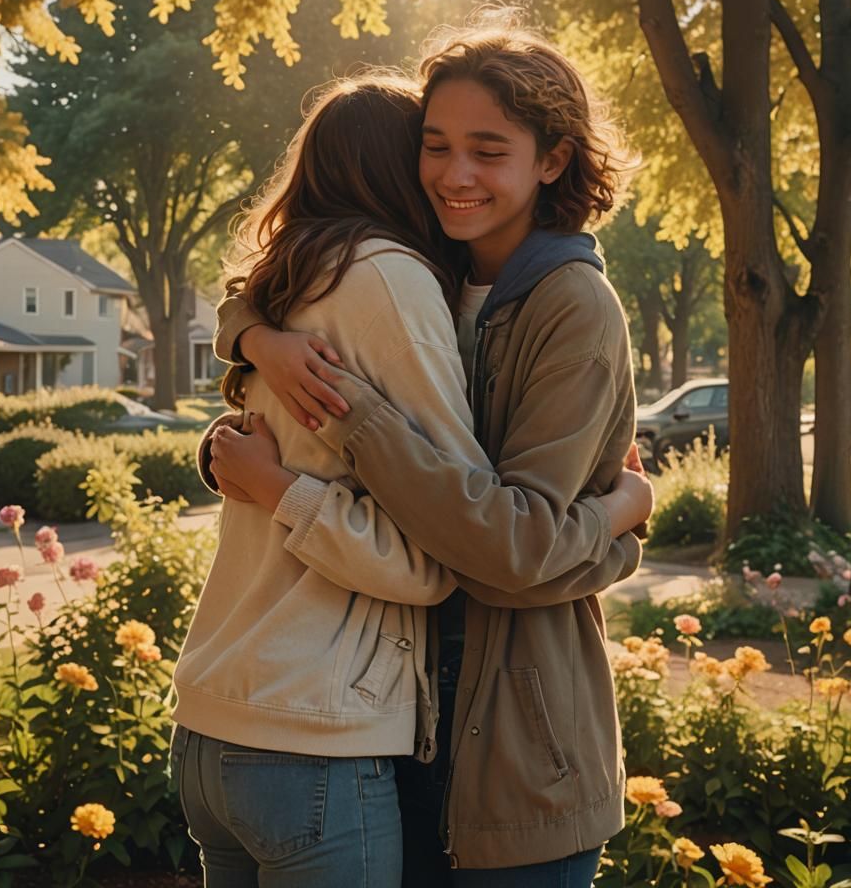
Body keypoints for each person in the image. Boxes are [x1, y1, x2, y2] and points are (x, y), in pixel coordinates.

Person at [171, 68, 651, 887]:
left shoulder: (566, 302)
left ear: (551, 160)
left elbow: (513, 545)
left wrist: (612, 532)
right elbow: (251, 295)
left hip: (516, 746)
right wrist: (254, 339)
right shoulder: (420, 277)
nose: (453, 173)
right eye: (434, 146)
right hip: (405, 728)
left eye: (487, 150)